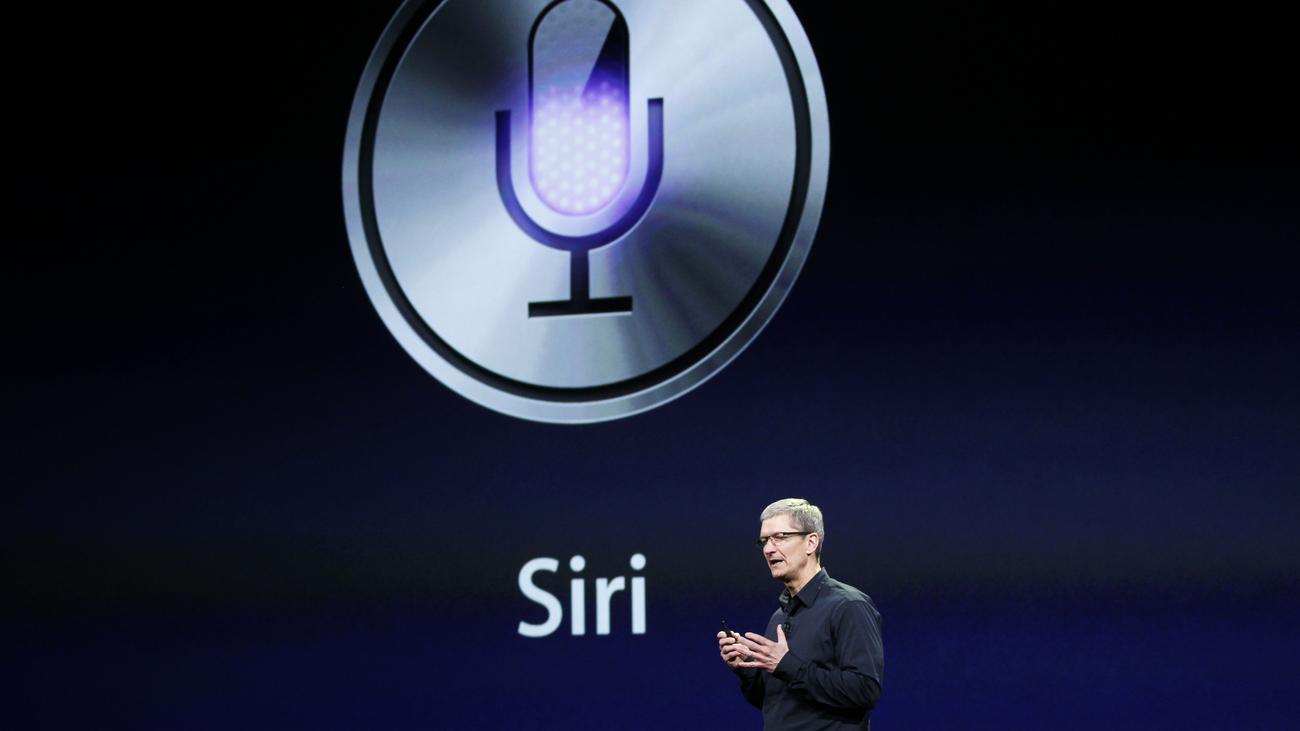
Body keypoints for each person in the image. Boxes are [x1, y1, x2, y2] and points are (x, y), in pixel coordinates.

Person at [717, 498, 884, 729]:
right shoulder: (779, 616)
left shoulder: (849, 605)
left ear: (811, 542)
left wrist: (786, 664)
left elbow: (864, 690)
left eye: (780, 537)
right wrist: (744, 668)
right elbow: (776, 704)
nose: (768, 549)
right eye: (764, 541)